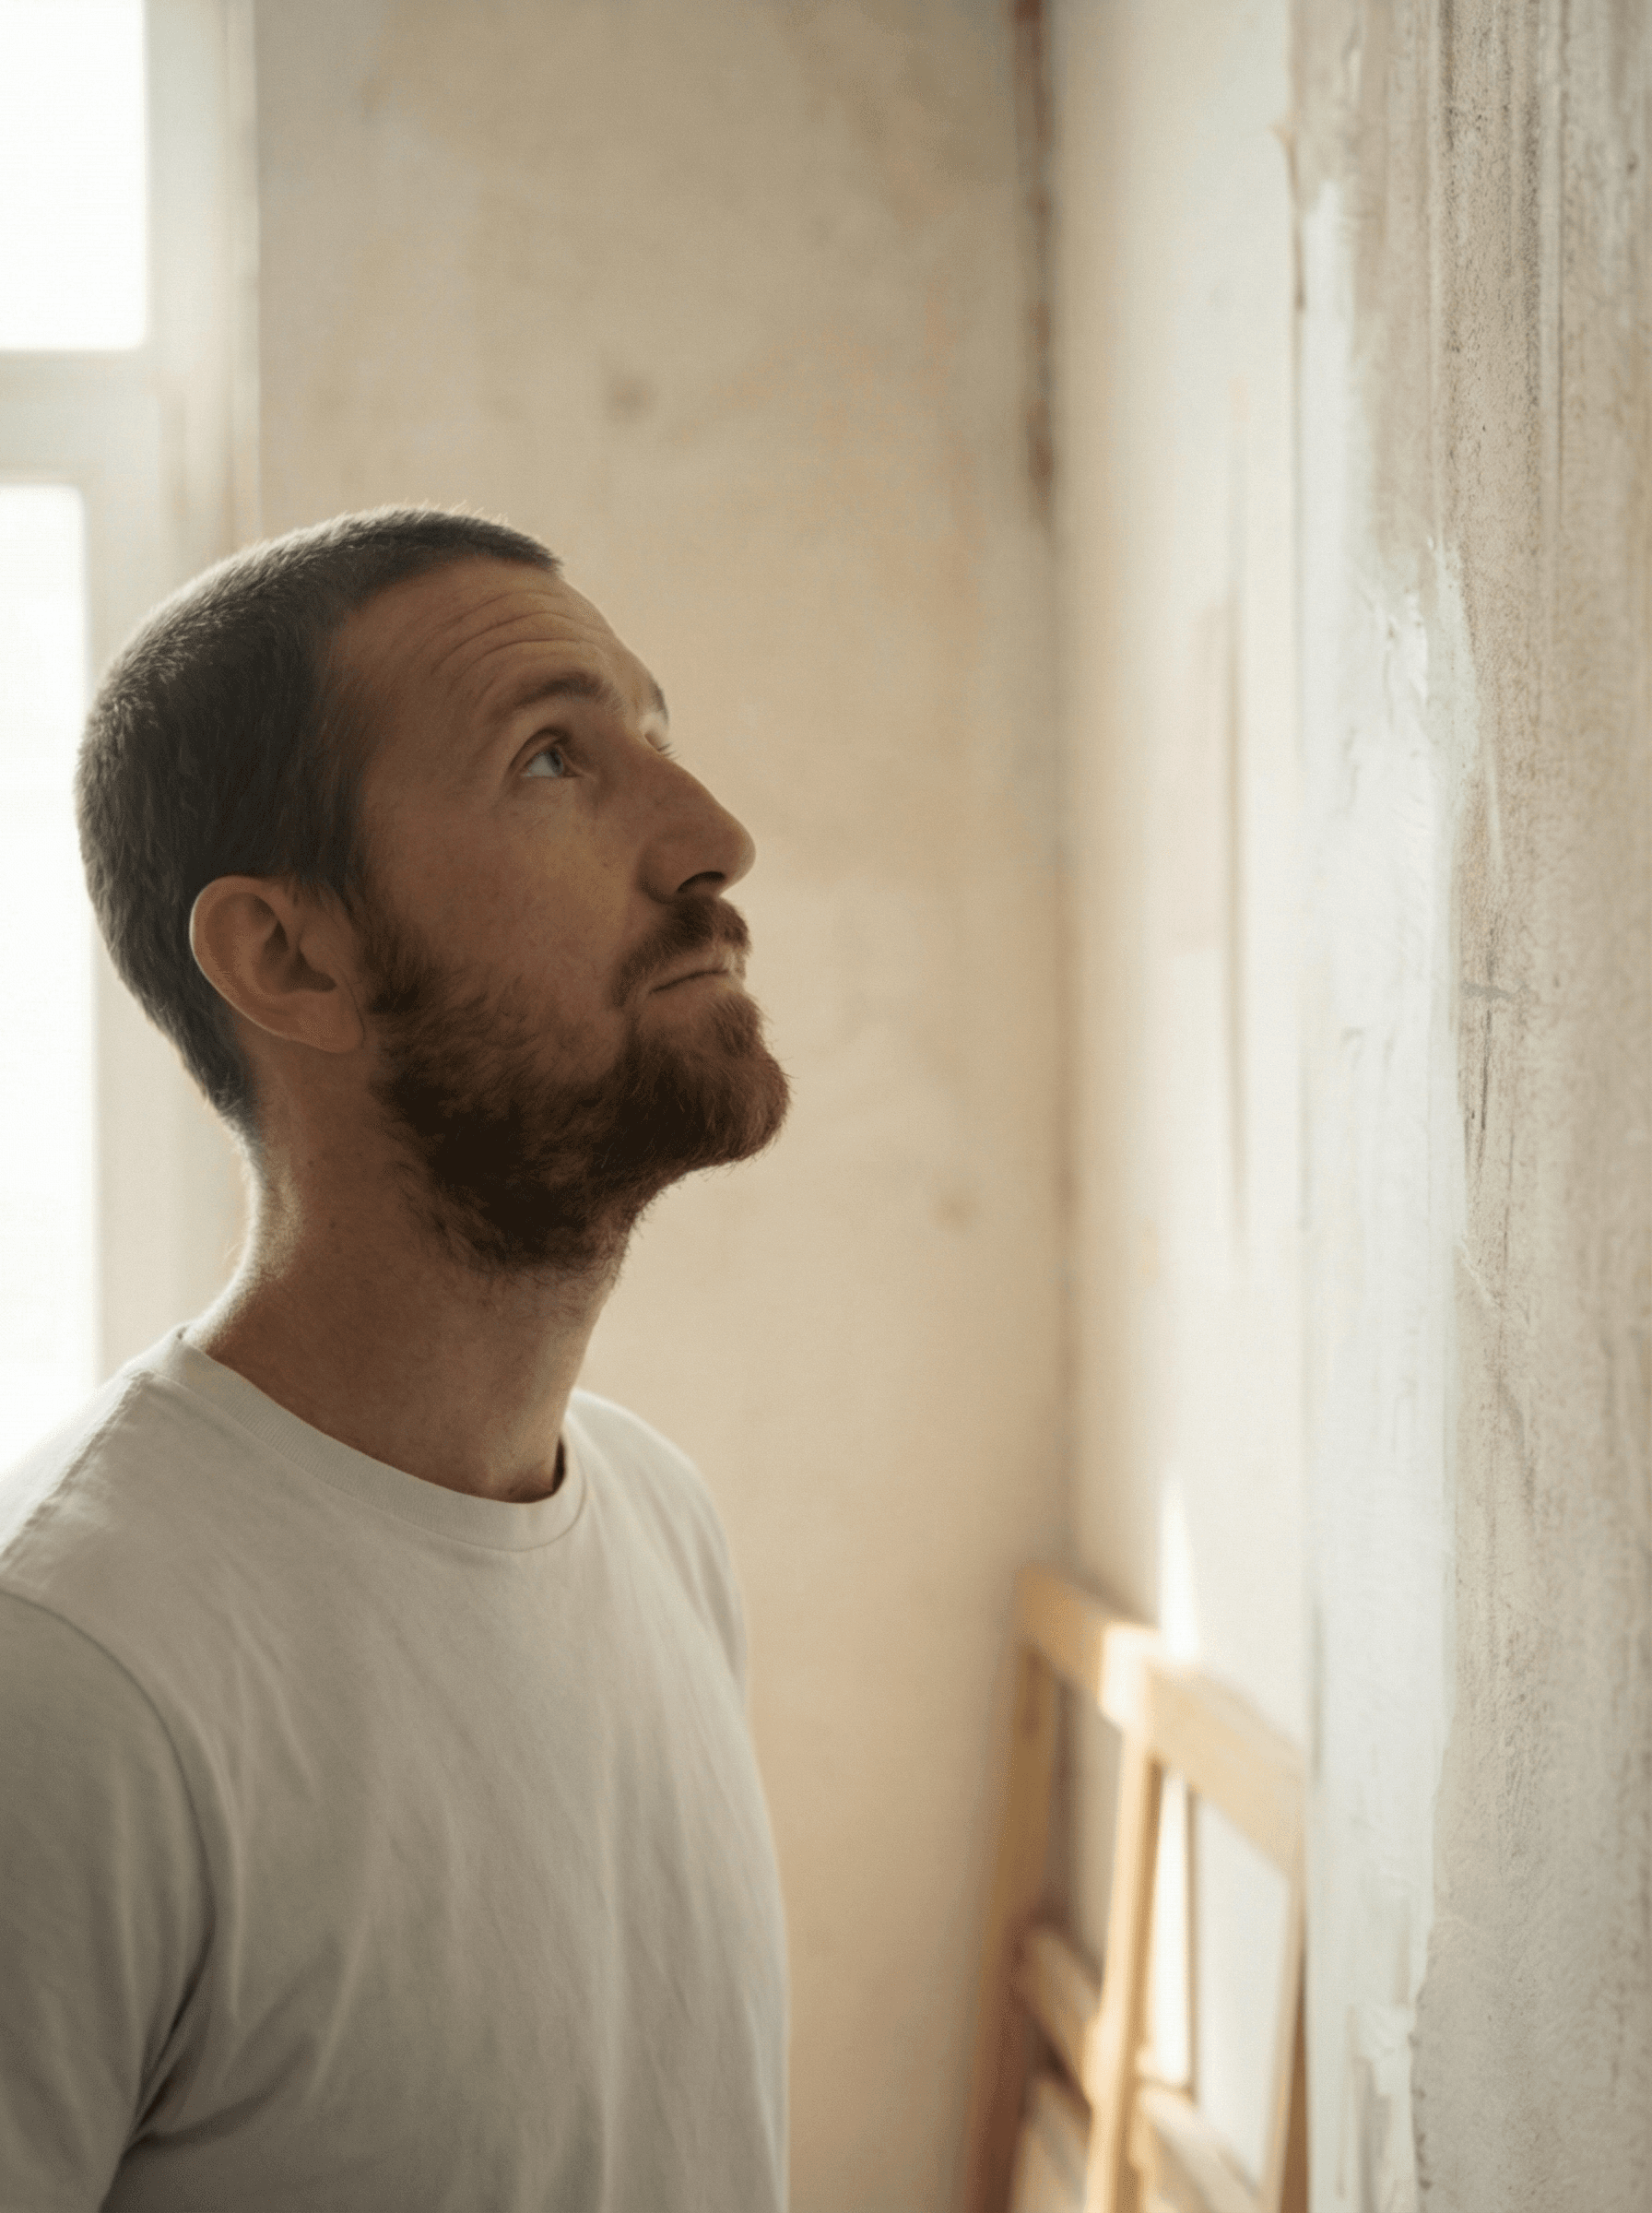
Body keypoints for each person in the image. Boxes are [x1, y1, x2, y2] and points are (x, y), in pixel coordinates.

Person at [0, 508, 794, 2210]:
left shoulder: (657, 1522)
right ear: (291, 956)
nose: (714, 836)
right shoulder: (63, 1680)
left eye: (655, 735)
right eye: (553, 759)